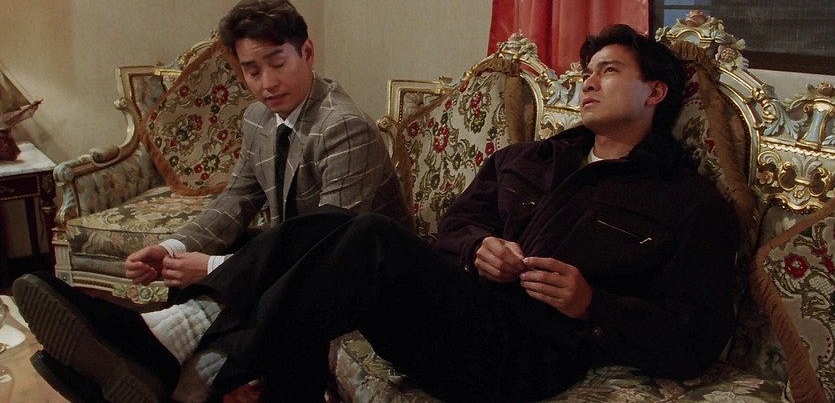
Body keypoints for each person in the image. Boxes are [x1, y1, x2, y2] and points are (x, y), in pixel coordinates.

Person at [14, 24, 738, 403]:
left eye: (608, 71)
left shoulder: (686, 204)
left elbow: (697, 338)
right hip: (456, 311)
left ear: (655, 93)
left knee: (367, 238)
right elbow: (454, 229)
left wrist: (592, 304)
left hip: (523, 356)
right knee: (332, 231)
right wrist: (476, 248)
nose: (586, 84)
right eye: (584, 71)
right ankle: (181, 352)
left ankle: (177, 347)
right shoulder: (528, 159)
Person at [125, 0, 410, 288]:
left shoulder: (345, 127)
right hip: (303, 266)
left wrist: (215, 267)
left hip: (368, 277)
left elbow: (331, 242)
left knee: (220, 280)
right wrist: (172, 248)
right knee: (195, 276)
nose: (267, 84)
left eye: (278, 64)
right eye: (252, 71)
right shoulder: (257, 117)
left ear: (307, 52)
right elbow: (236, 200)